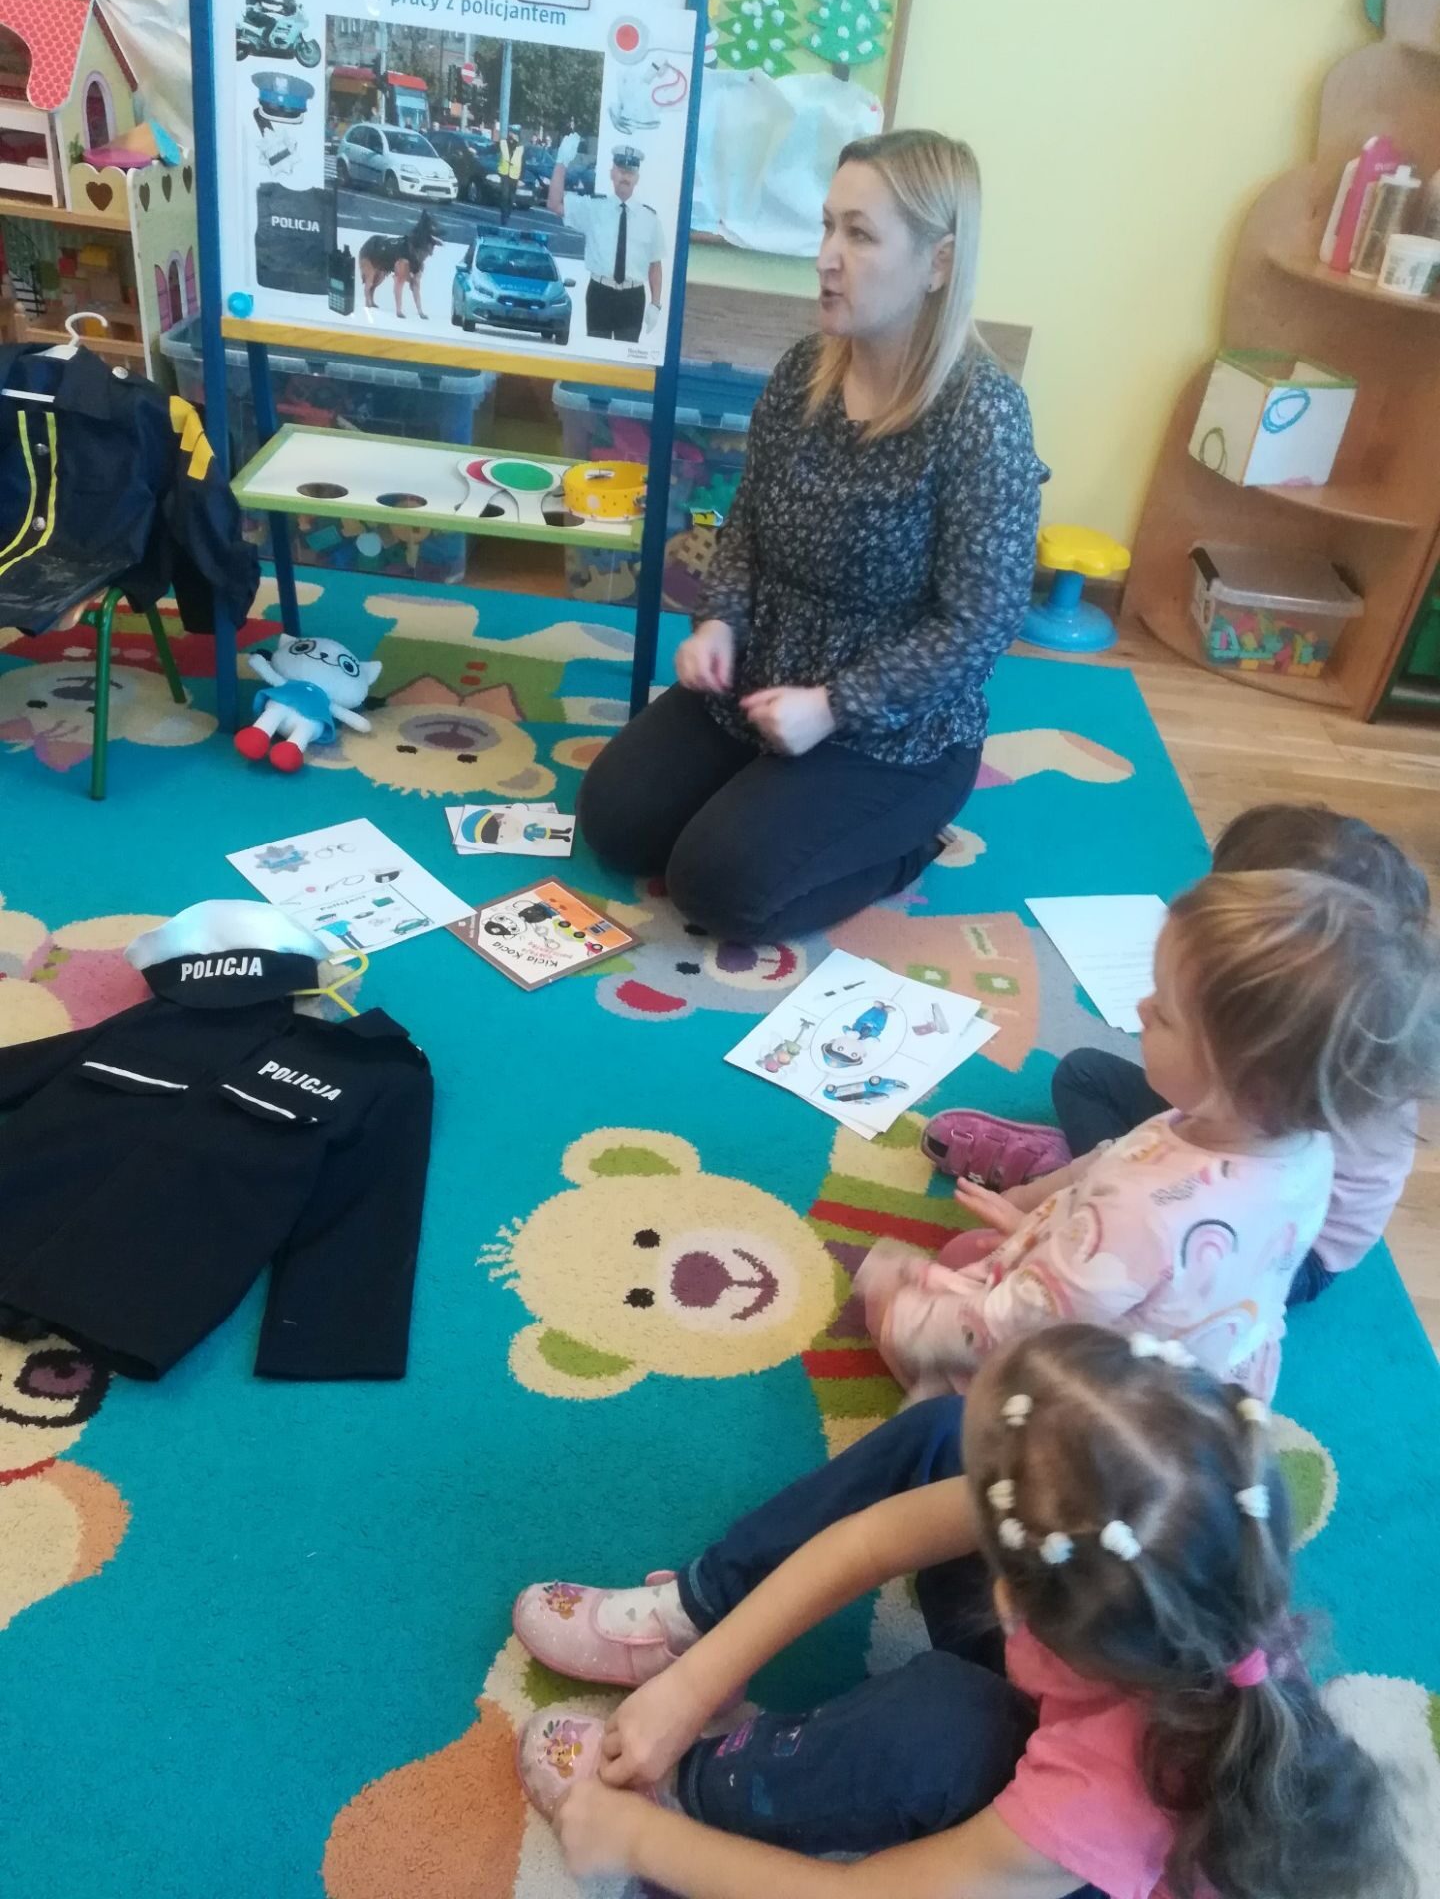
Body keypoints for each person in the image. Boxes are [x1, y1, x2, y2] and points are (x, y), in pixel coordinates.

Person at [510, 1325, 1407, 1899]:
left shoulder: (1096, 1800)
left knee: (938, 1724)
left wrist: (637, 1838)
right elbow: (871, 1541)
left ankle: (693, 1797)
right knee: (938, 1435)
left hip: (1074, 1869)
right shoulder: (1182, 1557)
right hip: (1106, 1682)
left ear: (1009, 1600)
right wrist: (695, 1678)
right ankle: (693, 1611)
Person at [574, 130, 1046, 945]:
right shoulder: (803, 371)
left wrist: (835, 707)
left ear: (937, 262)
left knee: (717, 889)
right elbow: (746, 527)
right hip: (763, 683)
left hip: (896, 732)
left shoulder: (985, 415)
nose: (826, 257)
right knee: (614, 822)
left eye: (859, 235)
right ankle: (765, 795)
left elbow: (980, 623)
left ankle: (909, 843)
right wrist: (720, 622)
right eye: (828, 227)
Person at [860, 867, 1440, 1404]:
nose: (1141, 1007)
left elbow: (1015, 1323)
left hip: (1101, 1398)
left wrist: (911, 1317)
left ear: (1246, 1085)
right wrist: (1043, 1233)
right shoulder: (1304, 1149)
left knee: (907, 1300)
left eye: (1163, 1012)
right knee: (971, 1253)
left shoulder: (1146, 1213)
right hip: (1205, 1359)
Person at [926, 805, 1433, 1308]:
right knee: (1084, 1075)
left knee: (1126, 1236)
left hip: (1285, 1251)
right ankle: (1069, 1170)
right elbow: (1170, 1130)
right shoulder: (1272, 1063)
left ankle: (1074, 1183)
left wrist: (1043, 1229)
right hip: (1233, 1143)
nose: (1144, 1007)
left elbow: (1143, 1208)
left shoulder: (1281, 1109)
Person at [548, 142, 664, 342]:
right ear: (612, 173)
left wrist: (655, 304)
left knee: (625, 358)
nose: (625, 177)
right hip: (600, 293)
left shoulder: (650, 219)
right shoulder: (594, 208)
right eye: (621, 170)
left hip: (633, 296)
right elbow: (554, 204)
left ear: (637, 178)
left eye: (630, 172)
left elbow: (655, 265)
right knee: (597, 352)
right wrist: (561, 163)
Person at [497, 126, 525, 225]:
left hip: (514, 175)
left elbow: (523, 164)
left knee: (511, 198)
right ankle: (504, 216)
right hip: (504, 173)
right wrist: (478, 151)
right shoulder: (503, 143)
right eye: (510, 132)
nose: (511, 134)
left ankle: (508, 214)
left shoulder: (520, 147)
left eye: (513, 133)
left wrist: (521, 178)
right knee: (504, 195)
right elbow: (491, 148)